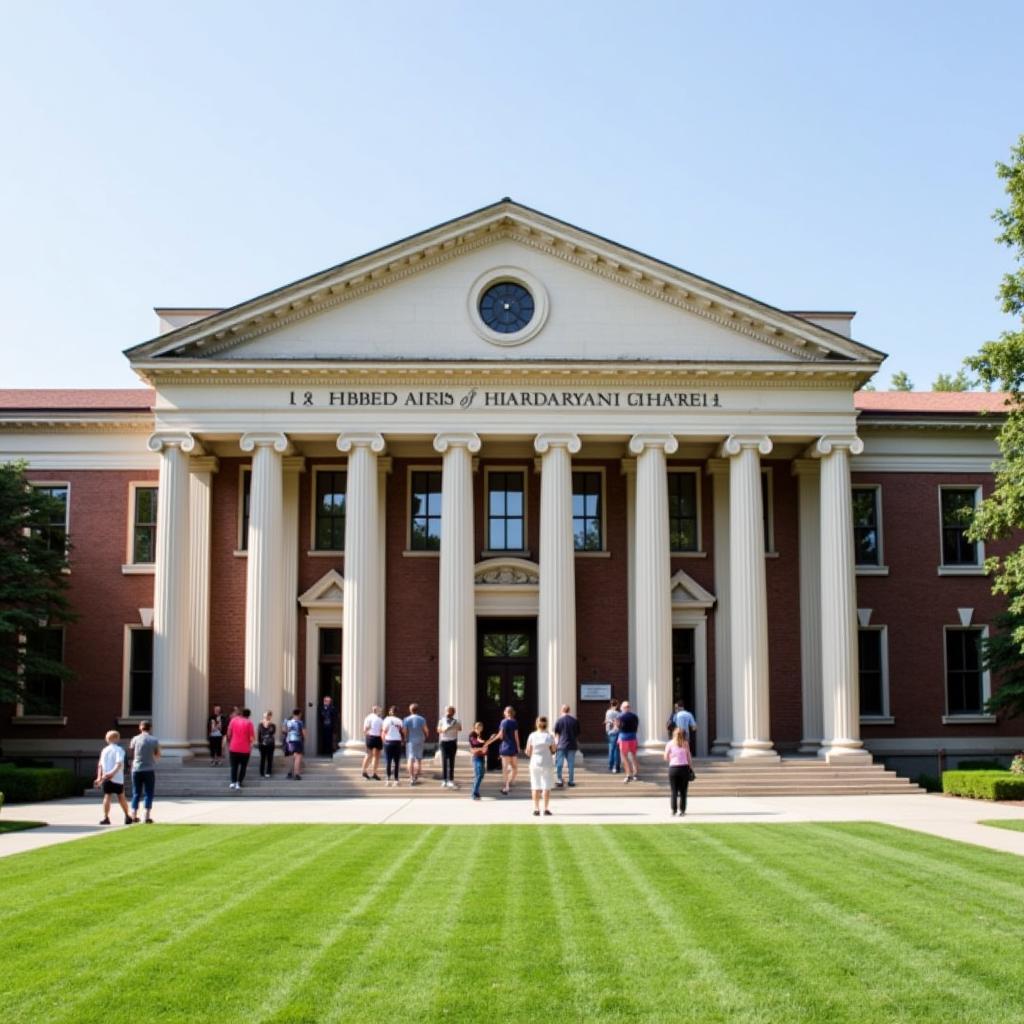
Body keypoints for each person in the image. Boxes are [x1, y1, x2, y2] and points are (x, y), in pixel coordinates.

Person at [94, 729, 133, 826]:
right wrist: (112, 773)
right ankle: (127, 816)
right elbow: (119, 764)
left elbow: (100, 765)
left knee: (107, 796)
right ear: (117, 738)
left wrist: (99, 777)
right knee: (121, 797)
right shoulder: (119, 750)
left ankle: (106, 817)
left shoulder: (104, 750)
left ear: (107, 739)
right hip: (117, 778)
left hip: (105, 778)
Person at [128, 720, 161, 822]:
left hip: (136, 769)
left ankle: (133, 814)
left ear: (140, 728)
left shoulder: (135, 739)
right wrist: (154, 760)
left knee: (136, 792)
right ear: (150, 728)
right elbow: (157, 754)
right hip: (148, 769)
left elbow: (131, 752)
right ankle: (146, 815)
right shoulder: (154, 740)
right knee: (149, 792)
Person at [525, 716, 557, 816]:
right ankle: (546, 808)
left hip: (535, 762)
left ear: (536, 724)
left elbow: (528, 751)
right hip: (546, 762)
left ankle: (536, 809)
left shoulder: (532, 736)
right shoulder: (549, 736)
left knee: (535, 786)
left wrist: (532, 754)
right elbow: (553, 750)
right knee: (546, 786)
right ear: (546, 724)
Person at [664, 727, 693, 816]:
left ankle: (674, 810)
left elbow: (665, 757)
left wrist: (672, 759)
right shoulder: (685, 743)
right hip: (684, 768)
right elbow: (689, 758)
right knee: (683, 791)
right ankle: (682, 810)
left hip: (673, 768)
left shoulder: (669, 744)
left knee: (674, 791)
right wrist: (690, 768)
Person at [226, 707, 256, 790]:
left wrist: (230, 741)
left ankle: (233, 782)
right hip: (245, 749)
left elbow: (228, 733)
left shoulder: (233, 720)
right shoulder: (249, 723)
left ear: (241, 713)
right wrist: (251, 745)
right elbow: (252, 737)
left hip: (234, 747)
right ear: (249, 715)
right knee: (243, 767)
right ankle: (239, 782)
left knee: (234, 766)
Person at [467, 722, 499, 800]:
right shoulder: (472, 734)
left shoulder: (479, 735)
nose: (479, 728)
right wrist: (486, 742)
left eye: (480, 727)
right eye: (477, 727)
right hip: (476, 757)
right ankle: (474, 794)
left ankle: (476, 793)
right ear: (474, 727)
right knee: (478, 775)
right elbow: (475, 742)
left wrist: (492, 739)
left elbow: (485, 744)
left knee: (481, 775)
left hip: (481, 756)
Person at [553, 704, 580, 788]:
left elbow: (556, 732)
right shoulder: (575, 720)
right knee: (571, 764)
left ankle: (559, 780)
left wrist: (556, 742)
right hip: (572, 744)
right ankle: (571, 781)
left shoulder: (559, 720)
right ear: (569, 710)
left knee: (559, 764)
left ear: (562, 710)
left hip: (561, 744)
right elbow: (577, 733)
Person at [403, 703, 429, 786]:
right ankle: (416, 775)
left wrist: (405, 738)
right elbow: (426, 730)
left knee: (410, 758)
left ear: (410, 710)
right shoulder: (422, 719)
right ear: (417, 710)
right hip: (420, 739)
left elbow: (405, 731)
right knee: (418, 759)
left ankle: (411, 777)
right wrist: (426, 736)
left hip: (411, 740)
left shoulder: (406, 719)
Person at [436, 705, 462, 788]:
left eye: (449, 711)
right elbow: (438, 730)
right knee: (444, 761)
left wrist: (454, 726)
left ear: (453, 712)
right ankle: (444, 780)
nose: (447, 712)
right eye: (446, 711)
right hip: (444, 743)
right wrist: (444, 729)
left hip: (452, 742)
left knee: (451, 761)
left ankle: (451, 780)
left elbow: (460, 729)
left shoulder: (456, 721)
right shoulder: (441, 720)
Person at [497, 706, 520, 795]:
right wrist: (518, 746)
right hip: (513, 746)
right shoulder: (514, 722)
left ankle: (506, 785)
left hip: (505, 746)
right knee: (515, 768)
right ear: (512, 713)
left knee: (505, 768)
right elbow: (516, 736)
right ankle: (510, 781)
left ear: (505, 713)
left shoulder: (503, 722)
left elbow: (501, 736)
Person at [381, 705, 405, 787]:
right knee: (396, 762)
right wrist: (403, 740)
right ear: (396, 712)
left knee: (388, 761)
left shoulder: (386, 720)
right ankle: (396, 780)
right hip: (397, 741)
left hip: (388, 741)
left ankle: (388, 780)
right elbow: (403, 732)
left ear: (390, 712)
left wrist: (383, 741)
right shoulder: (399, 721)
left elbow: (384, 732)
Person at [617, 700, 640, 783]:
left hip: (623, 738)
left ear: (623, 708)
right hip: (633, 738)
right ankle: (635, 774)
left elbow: (618, 727)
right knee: (634, 756)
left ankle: (628, 774)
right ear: (629, 708)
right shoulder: (635, 716)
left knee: (624, 757)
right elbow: (636, 727)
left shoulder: (620, 717)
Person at [362, 704, 384, 781]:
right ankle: (371, 772)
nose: (381, 711)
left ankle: (367, 771)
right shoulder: (377, 719)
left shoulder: (369, 717)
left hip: (371, 737)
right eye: (380, 710)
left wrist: (366, 735)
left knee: (370, 755)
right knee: (374, 756)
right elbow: (382, 730)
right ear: (376, 710)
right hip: (375, 737)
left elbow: (365, 729)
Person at [284, 708, 306, 780]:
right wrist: (304, 738)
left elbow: (285, 730)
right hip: (297, 741)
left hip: (289, 741)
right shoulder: (300, 722)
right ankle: (296, 774)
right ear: (299, 714)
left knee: (291, 757)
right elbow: (304, 733)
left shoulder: (288, 722)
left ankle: (289, 773)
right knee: (298, 758)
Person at [605, 698, 622, 774]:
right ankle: (616, 766)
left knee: (611, 748)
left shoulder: (607, 712)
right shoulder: (617, 713)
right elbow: (619, 723)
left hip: (609, 732)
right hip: (616, 731)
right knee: (616, 750)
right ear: (617, 704)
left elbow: (606, 721)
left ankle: (610, 765)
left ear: (611, 704)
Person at [257, 710, 277, 778]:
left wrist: (269, 724)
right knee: (262, 758)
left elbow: (272, 732)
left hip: (270, 744)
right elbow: (259, 735)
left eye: (268, 715)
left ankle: (268, 772)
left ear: (270, 716)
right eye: (265, 715)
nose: (266, 716)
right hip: (262, 744)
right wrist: (259, 743)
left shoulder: (273, 725)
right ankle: (261, 772)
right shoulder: (260, 724)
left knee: (269, 758)